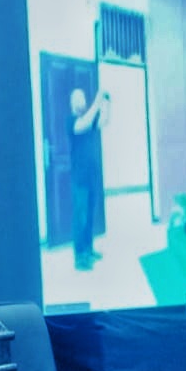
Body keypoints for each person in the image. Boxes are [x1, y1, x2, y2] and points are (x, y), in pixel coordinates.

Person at [69, 87, 110, 271]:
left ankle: (88, 250)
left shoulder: (88, 118)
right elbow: (84, 124)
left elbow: (103, 122)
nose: (82, 101)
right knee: (81, 218)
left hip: (92, 177)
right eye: (79, 98)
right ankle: (79, 258)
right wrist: (97, 100)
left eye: (83, 98)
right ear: (72, 103)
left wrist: (106, 104)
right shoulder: (71, 121)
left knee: (90, 216)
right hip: (79, 180)